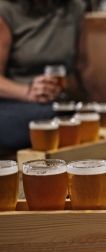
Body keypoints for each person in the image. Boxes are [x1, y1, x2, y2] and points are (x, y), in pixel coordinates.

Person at [0, 0, 93, 150]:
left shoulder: (74, 9)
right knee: (49, 119)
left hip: (58, 104)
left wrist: (97, 107)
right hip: (15, 102)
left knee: (67, 116)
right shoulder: (7, 11)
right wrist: (28, 92)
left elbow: (83, 66)